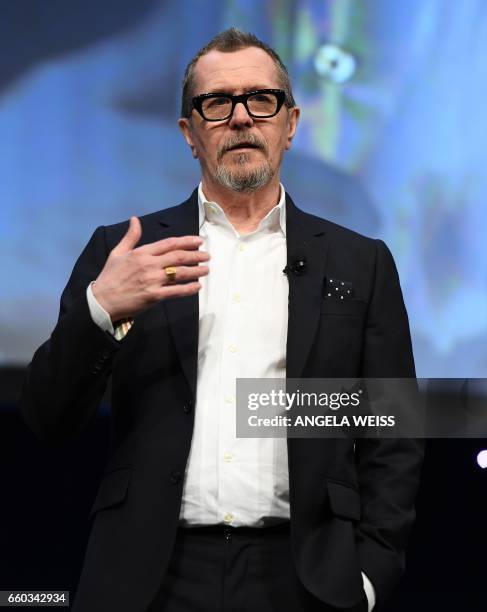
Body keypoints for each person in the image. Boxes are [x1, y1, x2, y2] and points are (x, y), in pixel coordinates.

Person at [20, 28, 423, 612]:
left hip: (304, 575)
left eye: (261, 99)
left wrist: (369, 573)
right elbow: (46, 419)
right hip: (150, 576)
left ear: (290, 123)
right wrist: (100, 311)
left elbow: (393, 431)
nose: (240, 118)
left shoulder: (361, 262)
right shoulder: (123, 253)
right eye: (217, 103)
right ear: (189, 133)